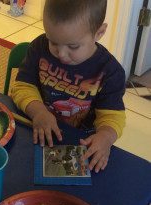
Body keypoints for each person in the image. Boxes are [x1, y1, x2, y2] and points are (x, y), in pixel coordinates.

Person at [11, 0, 126, 173]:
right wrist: (39, 112)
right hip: (37, 126)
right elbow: (22, 86)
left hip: (81, 141)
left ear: (99, 32)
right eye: (53, 42)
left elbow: (112, 115)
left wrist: (106, 137)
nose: (61, 54)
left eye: (73, 46)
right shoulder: (39, 47)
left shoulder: (110, 71)